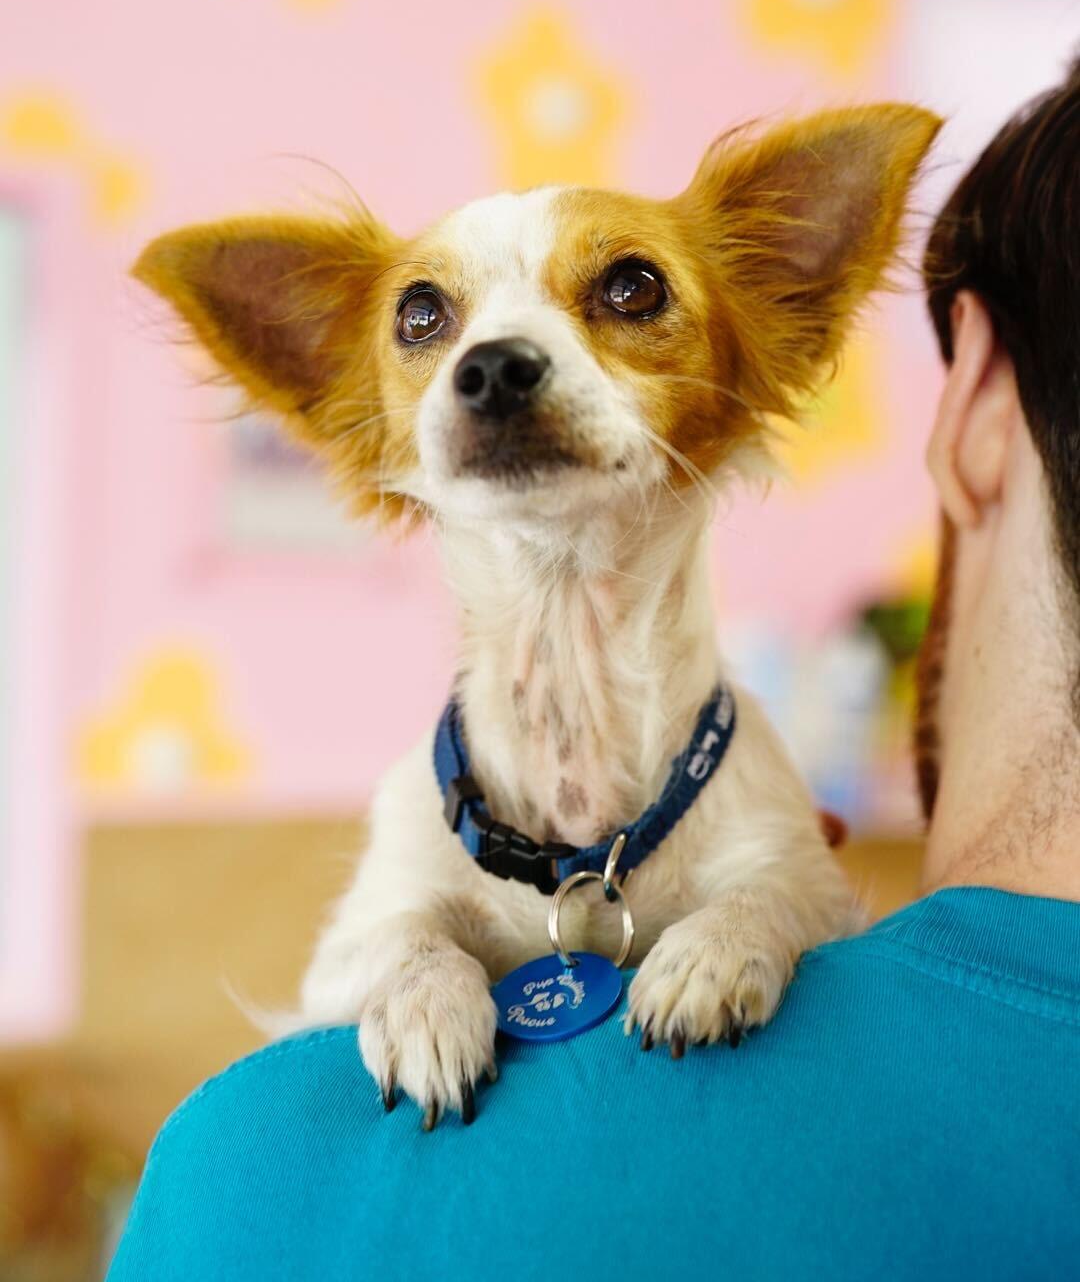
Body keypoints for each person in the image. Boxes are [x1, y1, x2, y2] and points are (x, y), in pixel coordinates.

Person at [108, 64, 1080, 1281]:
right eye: (427, 320)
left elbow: (798, 894)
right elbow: (349, 967)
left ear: (758, 331)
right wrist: (419, 960)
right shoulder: (418, 822)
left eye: (626, 290)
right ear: (360, 403)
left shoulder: (232, 1177)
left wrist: (755, 917)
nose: (499, 355)